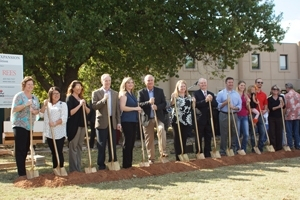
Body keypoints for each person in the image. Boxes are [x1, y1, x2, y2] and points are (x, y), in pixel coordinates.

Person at [11, 76, 40, 177]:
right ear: (24, 85)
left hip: (30, 126)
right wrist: (25, 105)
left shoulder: (34, 97)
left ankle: (23, 169)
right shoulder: (19, 96)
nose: (30, 86)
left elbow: (38, 111)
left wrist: (34, 111)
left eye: (32, 85)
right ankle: (21, 173)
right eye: (28, 84)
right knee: (20, 148)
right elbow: (14, 109)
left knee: (26, 148)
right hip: (19, 125)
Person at [92, 74, 121, 170]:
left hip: (112, 121)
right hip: (102, 122)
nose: (107, 82)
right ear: (102, 81)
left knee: (112, 144)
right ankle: (101, 164)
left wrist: (118, 122)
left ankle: (113, 160)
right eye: (105, 80)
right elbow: (94, 106)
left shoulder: (115, 93)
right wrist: (104, 99)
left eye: (109, 80)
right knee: (101, 144)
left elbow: (117, 109)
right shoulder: (96, 93)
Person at [138, 74, 168, 164]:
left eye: (151, 80)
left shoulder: (160, 91)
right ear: (145, 82)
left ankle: (163, 153)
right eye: (148, 80)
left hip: (158, 117)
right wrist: (149, 102)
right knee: (149, 139)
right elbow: (139, 104)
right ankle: (151, 158)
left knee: (161, 129)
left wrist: (157, 107)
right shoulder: (141, 92)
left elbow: (164, 103)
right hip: (147, 119)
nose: (150, 82)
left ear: (154, 81)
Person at [40, 87, 68, 169]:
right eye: (54, 93)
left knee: (58, 151)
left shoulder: (62, 105)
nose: (56, 95)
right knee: (53, 152)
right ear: (50, 95)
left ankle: (61, 167)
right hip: (49, 132)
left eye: (58, 93)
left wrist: (55, 123)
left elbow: (64, 118)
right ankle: (55, 168)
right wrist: (44, 105)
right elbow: (41, 115)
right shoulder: (47, 105)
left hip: (59, 132)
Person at [66, 80, 90, 172]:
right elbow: (70, 112)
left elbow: (88, 112)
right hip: (74, 126)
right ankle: (73, 169)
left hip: (82, 125)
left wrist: (84, 106)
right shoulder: (70, 99)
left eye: (80, 87)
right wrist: (79, 105)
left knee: (80, 146)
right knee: (73, 147)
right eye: (77, 87)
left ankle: (78, 167)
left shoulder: (82, 99)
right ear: (73, 88)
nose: (79, 89)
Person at [119, 77, 142, 168]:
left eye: (132, 82)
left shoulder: (132, 94)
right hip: (126, 121)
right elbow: (123, 108)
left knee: (132, 142)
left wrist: (138, 110)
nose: (130, 84)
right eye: (128, 83)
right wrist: (135, 108)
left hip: (133, 120)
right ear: (124, 84)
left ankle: (129, 163)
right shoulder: (124, 94)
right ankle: (126, 164)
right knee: (128, 142)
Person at [216, 77, 241, 156]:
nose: (231, 84)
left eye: (232, 82)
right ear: (226, 83)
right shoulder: (221, 93)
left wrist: (234, 108)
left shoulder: (236, 93)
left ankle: (232, 148)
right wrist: (225, 102)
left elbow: (239, 105)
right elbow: (217, 105)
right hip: (224, 114)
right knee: (224, 133)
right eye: (229, 82)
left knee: (234, 132)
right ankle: (223, 150)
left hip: (234, 114)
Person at [193, 78, 217, 157]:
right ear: (199, 85)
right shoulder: (195, 93)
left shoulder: (211, 93)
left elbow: (215, 104)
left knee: (208, 135)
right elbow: (196, 105)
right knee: (199, 136)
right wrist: (205, 100)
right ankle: (199, 152)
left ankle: (207, 152)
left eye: (205, 83)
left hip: (209, 118)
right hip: (200, 118)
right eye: (201, 83)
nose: (203, 84)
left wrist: (211, 100)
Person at [170, 80, 193, 161]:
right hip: (177, 120)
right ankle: (178, 156)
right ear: (178, 87)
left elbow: (192, 107)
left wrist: (194, 101)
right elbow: (171, 104)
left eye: (184, 86)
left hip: (187, 120)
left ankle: (183, 153)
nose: (183, 88)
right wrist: (172, 98)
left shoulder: (189, 97)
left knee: (184, 138)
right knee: (177, 139)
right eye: (181, 86)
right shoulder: (175, 96)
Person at [249, 78, 268, 152]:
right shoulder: (252, 92)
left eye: (261, 82)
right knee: (253, 132)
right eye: (258, 82)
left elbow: (266, 104)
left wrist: (265, 110)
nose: (260, 83)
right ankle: (254, 148)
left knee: (263, 132)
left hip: (261, 115)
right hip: (253, 114)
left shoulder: (264, 94)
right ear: (255, 83)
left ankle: (260, 147)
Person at [268, 85, 285, 151]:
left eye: (277, 90)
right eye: (274, 89)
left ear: (278, 91)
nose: (275, 91)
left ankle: (279, 147)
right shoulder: (269, 99)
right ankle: (273, 146)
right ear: (272, 90)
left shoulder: (281, 97)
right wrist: (278, 106)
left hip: (279, 117)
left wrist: (282, 102)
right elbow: (271, 108)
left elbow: (283, 106)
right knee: (272, 132)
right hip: (272, 117)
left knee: (279, 131)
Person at [284, 83, 300, 149]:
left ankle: (290, 145)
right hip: (297, 115)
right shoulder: (298, 95)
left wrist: (284, 113)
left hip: (289, 115)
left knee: (289, 131)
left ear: (287, 88)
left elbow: (285, 106)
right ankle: (297, 145)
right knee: (296, 131)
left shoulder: (286, 96)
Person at [236, 81, 250, 152]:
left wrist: (248, 103)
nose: (242, 87)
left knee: (246, 134)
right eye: (241, 85)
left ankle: (243, 148)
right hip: (237, 115)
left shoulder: (246, 95)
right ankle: (237, 148)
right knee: (237, 133)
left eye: (244, 85)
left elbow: (248, 108)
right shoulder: (235, 94)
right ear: (238, 86)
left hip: (244, 116)